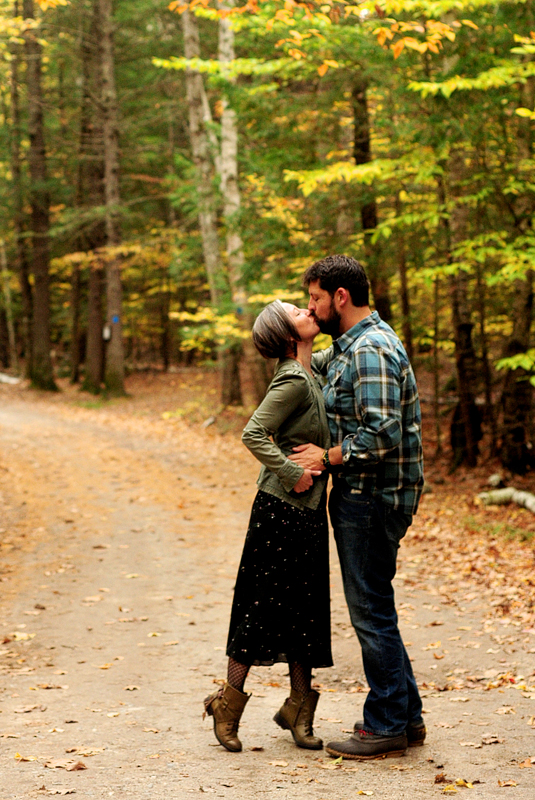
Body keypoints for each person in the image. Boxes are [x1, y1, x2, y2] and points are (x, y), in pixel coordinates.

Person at [291, 254, 425, 761]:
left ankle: (386, 723)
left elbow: (384, 432)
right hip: (366, 494)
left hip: (372, 496)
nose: (311, 306)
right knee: (376, 605)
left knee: (369, 610)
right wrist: (302, 335)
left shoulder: (369, 349)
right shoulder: (347, 348)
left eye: (316, 299)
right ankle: (405, 717)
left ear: (340, 298)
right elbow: (306, 377)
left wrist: (327, 455)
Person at [203, 300, 332, 754]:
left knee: (305, 609)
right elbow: (253, 433)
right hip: (279, 511)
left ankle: (299, 708)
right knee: (259, 609)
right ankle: (227, 705)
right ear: (286, 333)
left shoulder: (311, 367)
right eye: (297, 309)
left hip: (310, 513)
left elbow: (343, 345)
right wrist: (292, 472)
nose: (306, 308)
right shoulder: (293, 380)